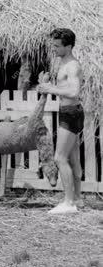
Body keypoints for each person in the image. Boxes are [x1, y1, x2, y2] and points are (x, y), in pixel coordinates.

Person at [36, 28, 84, 214]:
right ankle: (77, 200)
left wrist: (51, 89)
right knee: (72, 158)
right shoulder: (63, 62)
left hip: (71, 112)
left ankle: (68, 203)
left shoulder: (73, 66)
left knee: (59, 158)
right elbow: (65, 88)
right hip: (68, 111)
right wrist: (48, 86)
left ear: (68, 46)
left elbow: (74, 92)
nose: (53, 49)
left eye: (57, 46)